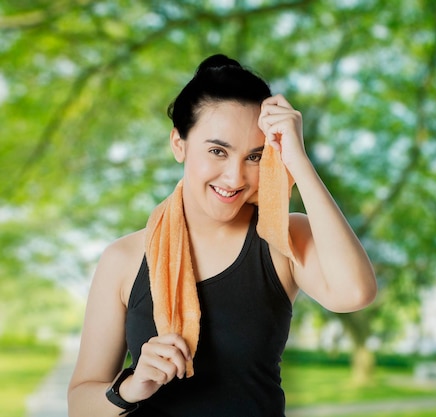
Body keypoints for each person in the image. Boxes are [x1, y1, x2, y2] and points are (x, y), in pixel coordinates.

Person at [67, 54, 377, 417]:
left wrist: (299, 163)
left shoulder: (280, 237)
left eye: (255, 157)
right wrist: (131, 387)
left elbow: (355, 292)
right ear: (179, 144)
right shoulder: (124, 259)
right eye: (217, 151)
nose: (235, 178)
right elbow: (80, 404)